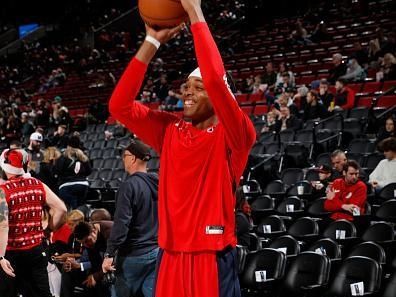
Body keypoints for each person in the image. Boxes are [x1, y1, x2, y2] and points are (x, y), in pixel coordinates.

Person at [108, 0, 256, 295]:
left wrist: (194, 12)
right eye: (186, 85)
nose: (187, 91)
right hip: (170, 252)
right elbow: (119, 105)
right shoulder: (169, 129)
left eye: (198, 88)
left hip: (211, 254)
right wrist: (151, 42)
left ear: (219, 97)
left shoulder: (235, 134)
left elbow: (215, 78)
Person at [0, 148, 67, 297]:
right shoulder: (37, 183)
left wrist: (0, 256)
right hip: (36, 250)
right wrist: (50, 228)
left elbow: (3, 226)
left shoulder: (3, 191)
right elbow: (61, 209)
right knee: (42, 293)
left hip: (12, 253)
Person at [102, 140, 159, 297]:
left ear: (132, 158)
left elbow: (121, 224)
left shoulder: (129, 186)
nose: (123, 160)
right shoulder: (158, 182)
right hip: (157, 251)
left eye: (124, 156)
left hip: (134, 255)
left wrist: (109, 254)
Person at [73, 221, 113, 297]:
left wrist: (96, 276)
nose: (86, 245)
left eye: (87, 241)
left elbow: (115, 262)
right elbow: (95, 261)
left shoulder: (110, 232)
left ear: (94, 231)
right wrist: (92, 277)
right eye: (83, 243)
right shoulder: (89, 237)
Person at [53, 136, 91, 209]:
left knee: (69, 208)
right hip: (83, 185)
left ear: (68, 145)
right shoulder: (83, 156)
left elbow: (57, 171)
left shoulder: (64, 156)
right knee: (79, 208)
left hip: (67, 186)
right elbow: (89, 171)